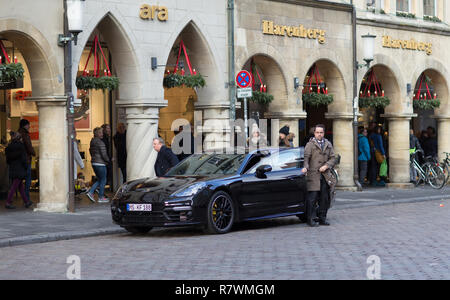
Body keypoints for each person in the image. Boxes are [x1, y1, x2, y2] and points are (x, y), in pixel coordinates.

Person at [301, 124, 336, 227]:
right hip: (313, 175)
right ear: (314, 133)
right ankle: (311, 219)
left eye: (321, 132)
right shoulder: (310, 144)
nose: (319, 134)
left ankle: (322, 218)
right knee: (312, 198)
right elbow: (306, 158)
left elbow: (333, 158)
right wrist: (305, 167)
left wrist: (326, 166)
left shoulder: (328, 144)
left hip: (325, 175)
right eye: (317, 132)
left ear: (323, 133)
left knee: (324, 198)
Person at [5, 132, 33, 209]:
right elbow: (24, 158)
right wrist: (26, 166)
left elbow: (7, 160)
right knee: (14, 186)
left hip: (12, 168)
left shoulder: (9, 147)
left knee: (20, 186)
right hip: (20, 168)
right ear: (19, 138)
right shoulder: (21, 146)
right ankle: (8, 202)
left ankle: (26, 202)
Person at [87, 127, 110, 203]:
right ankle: (100, 197)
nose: (102, 134)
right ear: (97, 134)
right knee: (103, 180)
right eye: (100, 132)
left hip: (94, 163)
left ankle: (91, 192)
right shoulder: (100, 142)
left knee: (100, 179)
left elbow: (90, 151)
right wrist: (108, 160)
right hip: (100, 164)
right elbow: (104, 154)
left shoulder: (92, 141)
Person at [18, 119, 35, 204]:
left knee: (19, 180)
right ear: (24, 125)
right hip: (26, 160)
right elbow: (28, 145)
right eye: (28, 125)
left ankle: (25, 198)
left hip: (20, 160)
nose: (29, 126)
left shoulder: (18, 133)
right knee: (28, 179)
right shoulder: (25, 134)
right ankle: (27, 199)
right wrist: (33, 153)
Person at [101, 124, 113, 189]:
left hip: (107, 159)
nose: (109, 130)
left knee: (106, 176)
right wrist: (108, 159)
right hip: (105, 160)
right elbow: (105, 151)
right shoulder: (103, 139)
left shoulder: (108, 138)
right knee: (104, 177)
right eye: (108, 128)